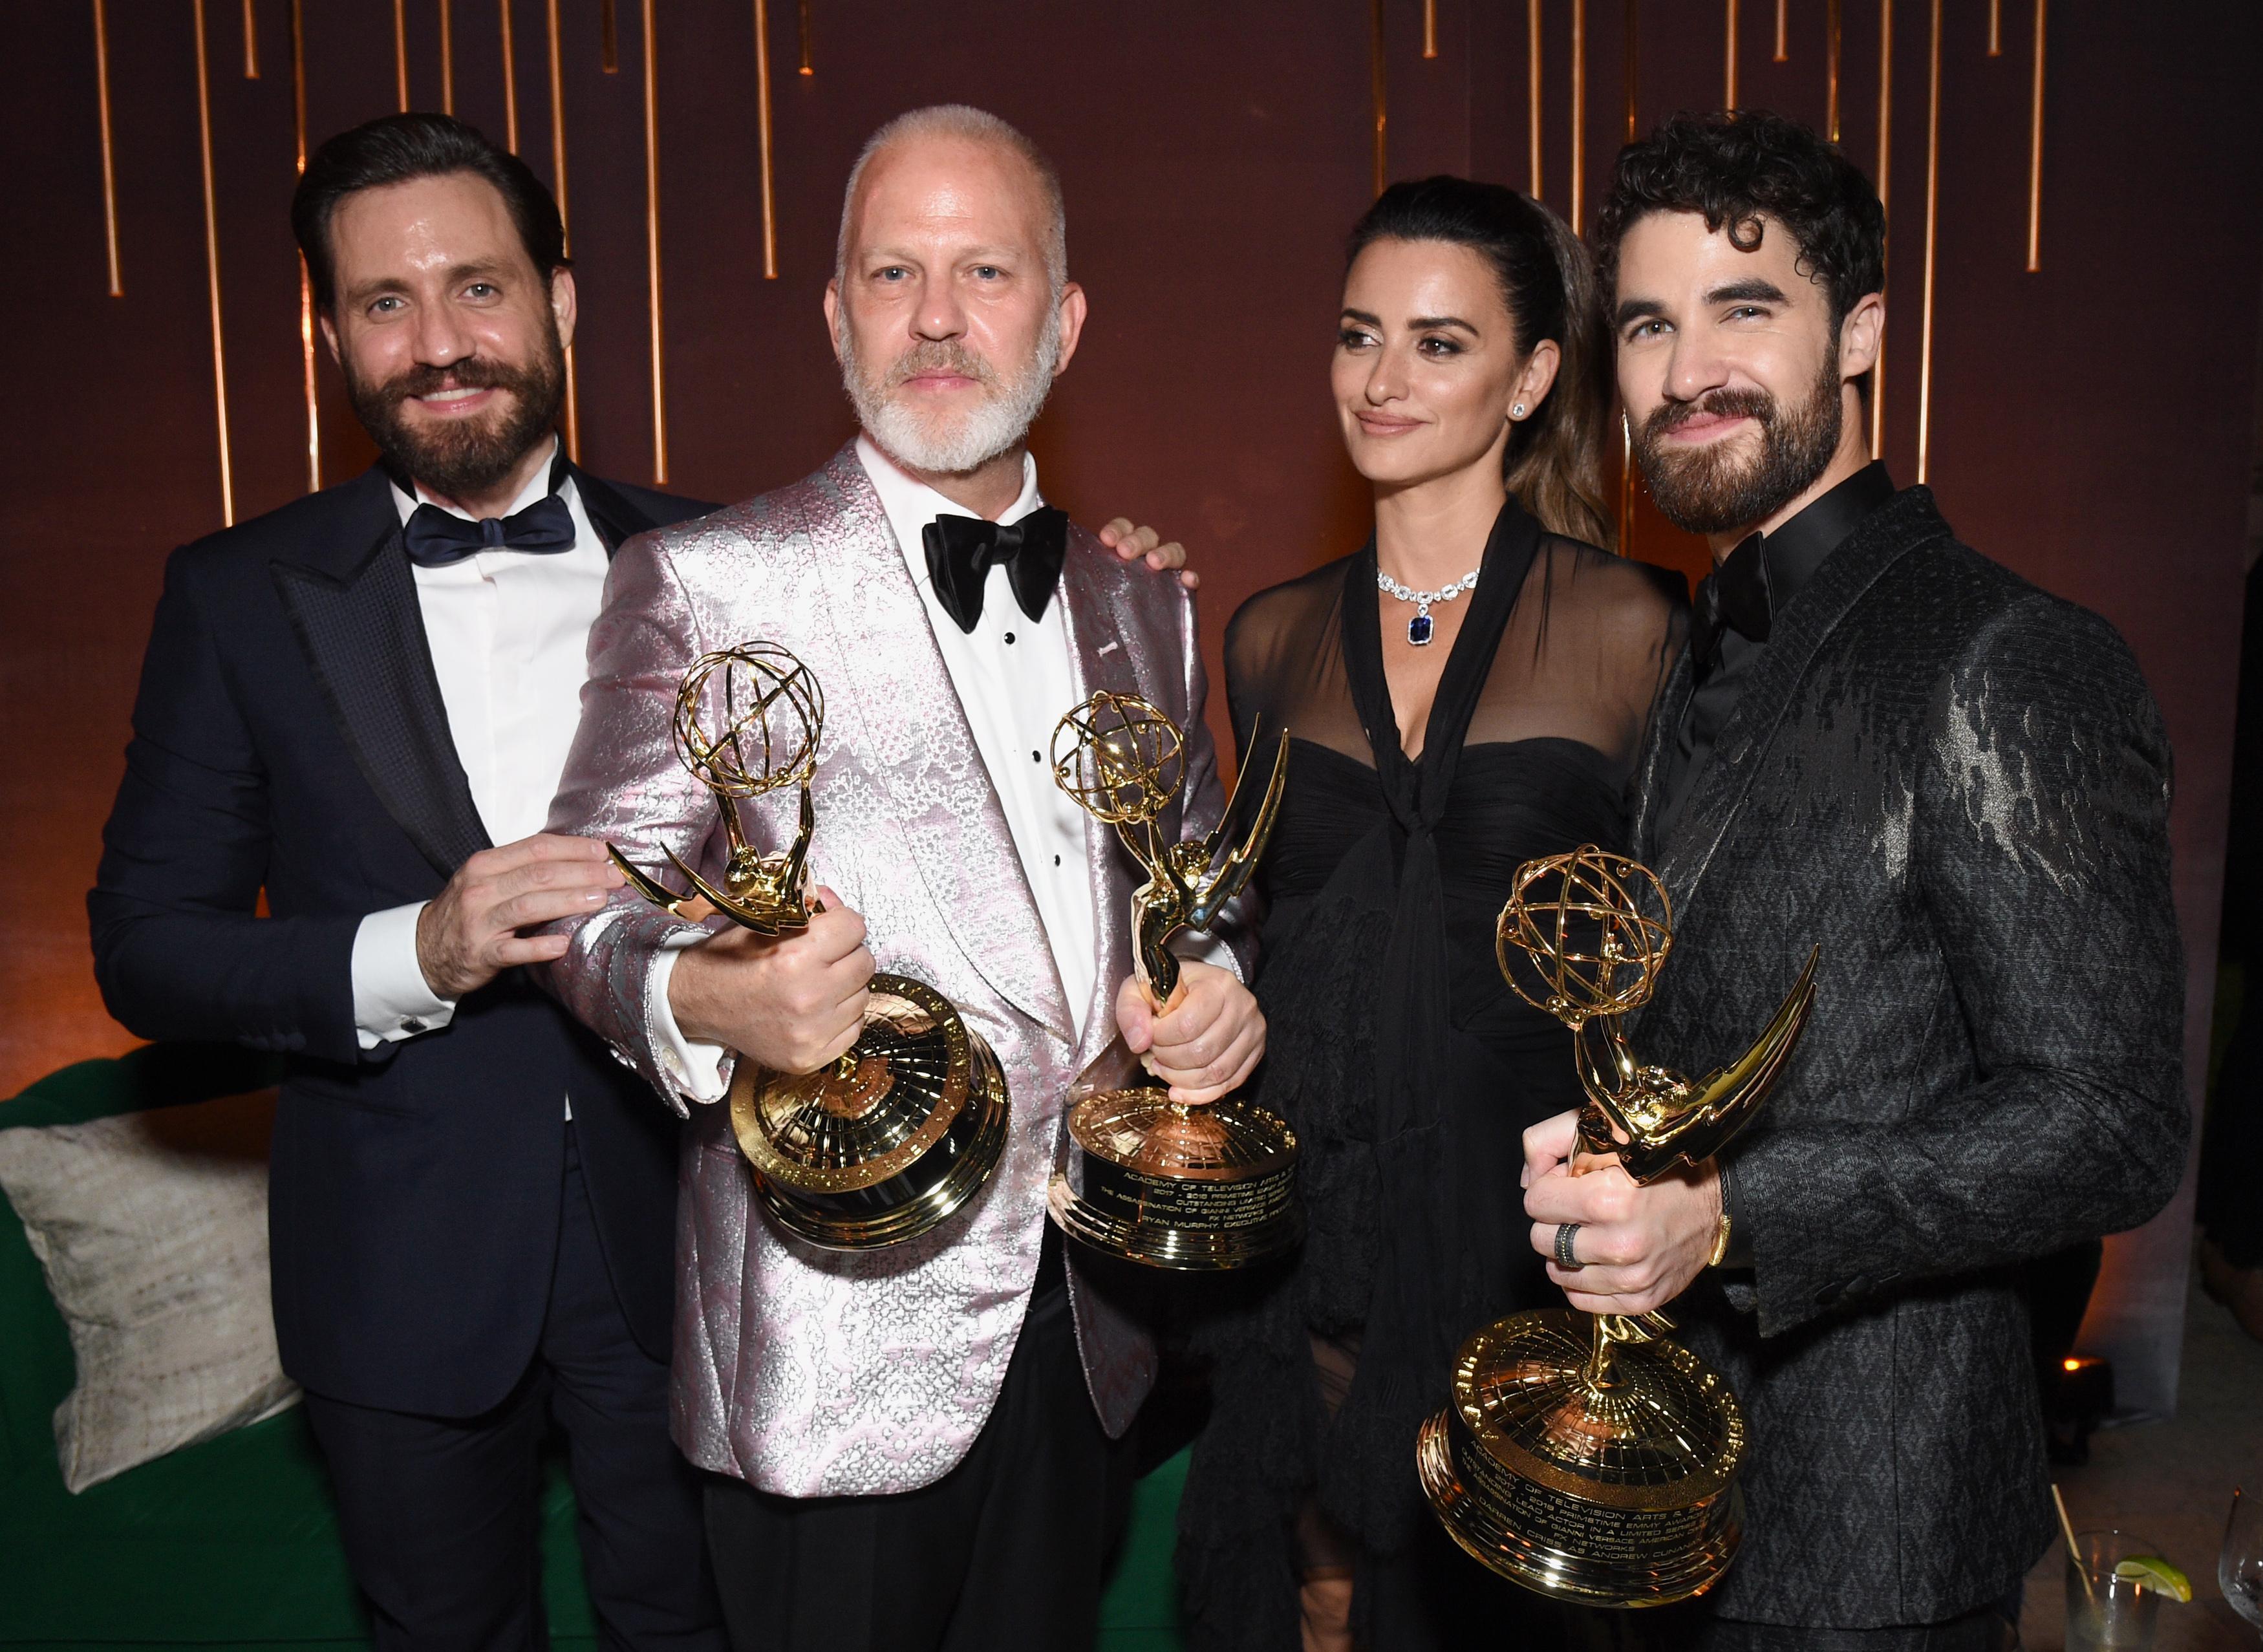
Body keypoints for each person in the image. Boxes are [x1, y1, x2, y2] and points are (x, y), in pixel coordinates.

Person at [85, 110, 1194, 1651]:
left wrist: (1114, 586)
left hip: (684, 1247)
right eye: (383, 304)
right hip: (407, 1264)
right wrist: (424, 946)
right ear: (326, 332)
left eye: (476, 288)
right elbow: (147, 949)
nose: (438, 342)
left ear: (560, 299)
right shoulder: (233, 596)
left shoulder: (707, 551)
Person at [539, 105, 1263, 1652]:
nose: (938, 316)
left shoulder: (1146, 601)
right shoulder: (702, 582)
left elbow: (1196, 885)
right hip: (829, 1339)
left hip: (1086, 1326)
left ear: (1062, 324)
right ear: (836, 314)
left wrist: (1219, 990)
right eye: (893, 272)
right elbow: (587, 920)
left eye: (986, 271)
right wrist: (711, 994)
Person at [1521, 110, 2189, 1650]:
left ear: (1864, 332)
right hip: (1665, 1495)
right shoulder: (1693, 639)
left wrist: (1732, 1211)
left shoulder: (2008, 656)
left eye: (1743, 311)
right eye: (1647, 324)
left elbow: (2110, 1122)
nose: (1687, 371)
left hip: (1871, 1549)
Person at [1175, 177, 1684, 1652]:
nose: (1383, 381)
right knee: (1321, 1599)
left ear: (1532, 378)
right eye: (1358, 336)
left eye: (1440, 344)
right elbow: (1244, 920)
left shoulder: (1631, 627)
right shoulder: (1266, 637)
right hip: (1322, 1225)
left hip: (1529, 1237)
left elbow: (1671, 961)